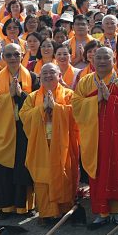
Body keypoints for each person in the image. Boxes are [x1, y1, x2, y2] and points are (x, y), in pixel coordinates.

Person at [71, 46, 118, 229]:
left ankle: (117, 212)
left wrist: (111, 99)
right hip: (95, 137)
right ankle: (102, 212)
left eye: (106, 58)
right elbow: (76, 105)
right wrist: (96, 100)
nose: (102, 61)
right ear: (92, 60)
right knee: (99, 171)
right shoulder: (86, 82)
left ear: (113, 59)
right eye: (98, 58)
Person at [0, 42, 40, 217]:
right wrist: (9, 96)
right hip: (3, 129)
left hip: (25, 129)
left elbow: (37, 101)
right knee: (3, 170)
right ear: (3, 57)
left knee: (24, 168)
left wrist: (21, 95)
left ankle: (24, 206)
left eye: (16, 54)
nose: (13, 58)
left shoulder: (32, 77)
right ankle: (5, 206)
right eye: (8, 55)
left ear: (22, 54)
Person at [21, 63, 80, 225]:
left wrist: (56, 108)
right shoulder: (33, 97)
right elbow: (24, 116)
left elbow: (76, 114)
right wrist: (41, 109)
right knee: (42, 176)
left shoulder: (69, 94)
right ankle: (47, 213)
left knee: (63, 173)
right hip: (41, 143)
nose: (48, 75)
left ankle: (63, 209)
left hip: (63, 144)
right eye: (44, 73)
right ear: (39, 78)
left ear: (60, 76)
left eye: (52, 72)